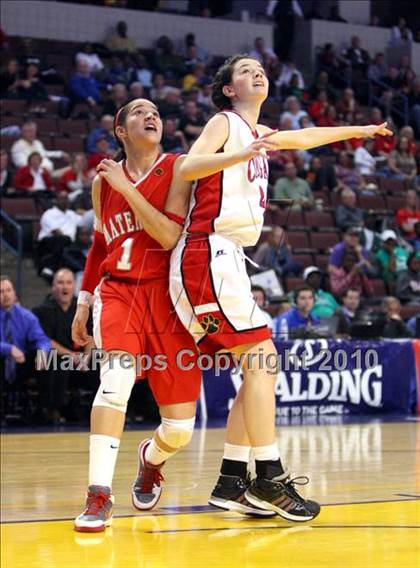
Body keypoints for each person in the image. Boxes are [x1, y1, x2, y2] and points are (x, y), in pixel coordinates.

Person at [168, 54, 391, 520]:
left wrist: (357, 132)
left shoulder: (259, 134)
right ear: (229, 89)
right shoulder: (225, 122)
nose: (257, 73)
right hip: (206, 252)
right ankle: (267, 477)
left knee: (258, 370)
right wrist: (239, 154)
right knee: (263, 361)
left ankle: (233, 480)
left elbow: (306, 138)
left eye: (260, 68)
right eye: (245, 70)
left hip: (225, 259)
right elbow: (187, 168)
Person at [71, 98, 201, 532]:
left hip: (167, 299)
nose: (152, 117)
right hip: (120, 293)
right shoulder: (101, 182)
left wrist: (128, 191)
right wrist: (84, 300)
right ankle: (98, 495)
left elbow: (167, 236)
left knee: (180, 429)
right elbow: (99, 246)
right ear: (120, 130)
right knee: (115, 381)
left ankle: (151, 458)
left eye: (157, 113)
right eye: (140, 112)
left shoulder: (178, 167)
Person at [33, 269, 97, 424]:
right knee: (55, 362)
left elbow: (91, 337)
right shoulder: (42, 310)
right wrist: (72, 356)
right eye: (60, 283)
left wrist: (86, 358)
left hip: (82, 359)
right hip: (59, 358)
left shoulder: (82, 308)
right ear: (53, 286)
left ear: (74, 285)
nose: (65, 287)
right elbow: (45, 340)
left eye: (69, 283)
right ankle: (54, 410)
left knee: (101, 362)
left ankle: (96, 410)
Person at [0, 276, 51, 414]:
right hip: (3, 361)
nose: (5, 295)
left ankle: (44, 412)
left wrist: (42, 351)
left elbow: (42, 340)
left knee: (46, 360)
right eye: (1, 291)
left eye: (8, 290)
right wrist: (8, 349)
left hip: (21, 363)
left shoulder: (26, 316)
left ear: (14, 292)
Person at [37, 191, 84, 278]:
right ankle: (50, 267)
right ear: (56, 200)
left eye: (66, 199)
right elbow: (56, 232)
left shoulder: (71, 214)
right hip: (48, 242)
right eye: (62, 198)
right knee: (63, 240)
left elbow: (85, 220)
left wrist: (82, 211)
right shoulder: (49, 213)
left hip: (67, 243)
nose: (64, 201)